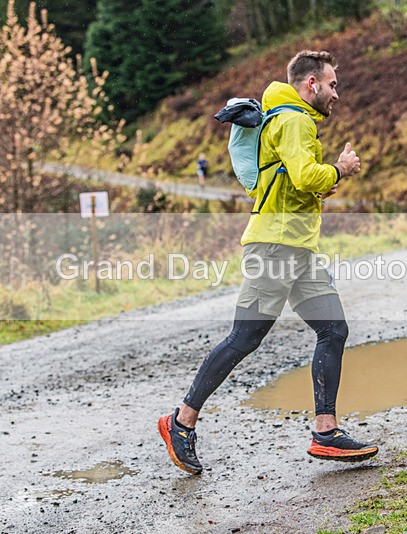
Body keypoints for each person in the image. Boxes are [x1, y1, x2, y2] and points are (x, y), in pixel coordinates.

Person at [158, 50, 375, 475]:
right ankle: (180, 422)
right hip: (274, 247)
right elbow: (306, 175)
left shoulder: (289, 118)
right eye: (332, 85)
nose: (336, 94)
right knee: (245, 338)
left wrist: (318, 184)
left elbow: (294, 182)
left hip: (298, 249)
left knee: (333, 330)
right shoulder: (294, 120)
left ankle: (326, 432)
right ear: (311, 84)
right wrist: (340, 168)